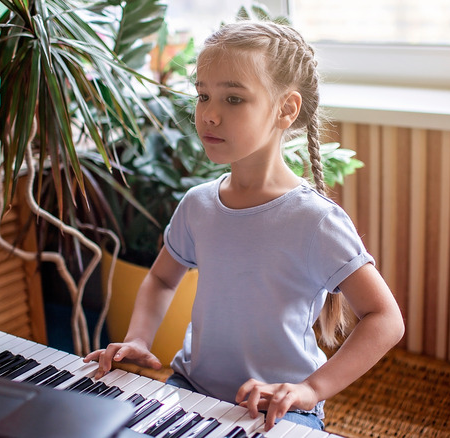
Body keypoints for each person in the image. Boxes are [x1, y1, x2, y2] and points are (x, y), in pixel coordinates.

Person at [84, 20, 405, 432]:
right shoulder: (198, 204)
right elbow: (163, 280)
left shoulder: (315, 221)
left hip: (282, 409)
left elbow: (385, 318)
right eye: (203, 96)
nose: (209, 115)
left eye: (234, 98)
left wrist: (310, 389)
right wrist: (139, 339)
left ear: (286, 109)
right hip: (191, 390)